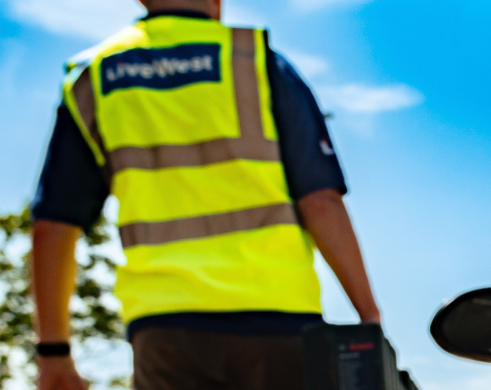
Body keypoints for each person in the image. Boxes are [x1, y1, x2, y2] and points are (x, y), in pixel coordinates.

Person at [29, 0, 381, 388]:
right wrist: (369, 319)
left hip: (165, 327)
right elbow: (321, 201)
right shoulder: (256, 61)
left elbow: (53, 226)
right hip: (280, 320)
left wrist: (54, 355)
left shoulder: (94, 77)